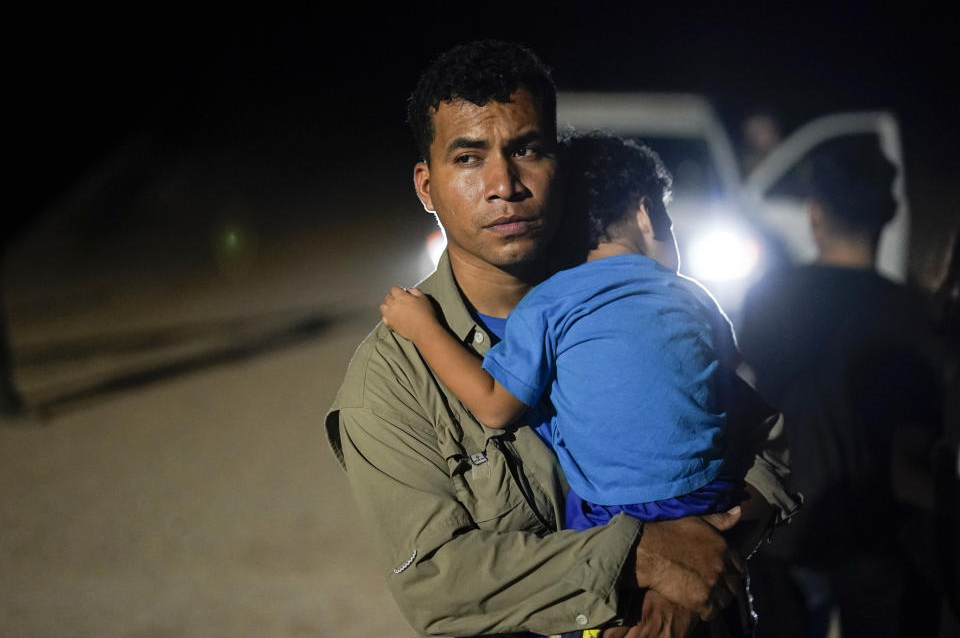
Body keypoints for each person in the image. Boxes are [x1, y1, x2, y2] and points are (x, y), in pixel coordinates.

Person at [326, 40, 799, 638]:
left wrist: (708, 557)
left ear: (560, 166)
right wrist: (647, 557)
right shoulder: (393, 379)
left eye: (527, 150)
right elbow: (438, 583)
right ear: (427, 187)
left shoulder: (629, 305)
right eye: (469, 159)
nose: (504, 184)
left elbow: (766, 441)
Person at [379, 133, 766, 537]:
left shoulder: (547, 303)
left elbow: (494, 408)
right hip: (710, 494)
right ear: (647, 213)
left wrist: (423, 328)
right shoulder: (693, 295)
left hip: (609, 513)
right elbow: (740, 377)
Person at [739, 139, 943, 638]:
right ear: (887, 214)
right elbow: (919, 448)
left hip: (780, 528)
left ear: (814, 214)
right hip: (875, 536)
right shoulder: (911, 314)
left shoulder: (771, 294)